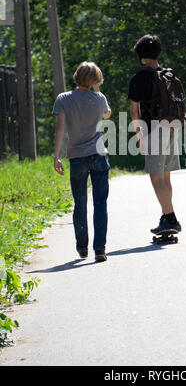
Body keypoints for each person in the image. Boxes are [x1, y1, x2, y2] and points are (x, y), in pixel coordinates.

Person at [52, 61, 111, 262]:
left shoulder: (63, 99)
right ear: (95, 80)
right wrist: (97, 89)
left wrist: (56, 156)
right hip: (99, 155)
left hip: (77, 157)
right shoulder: (99, 98)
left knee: (80, 203)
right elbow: (107, 114)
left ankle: (82, 247)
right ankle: (100, 249)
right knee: (100, 203)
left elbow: (60, 128)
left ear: (77, 76)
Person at [128, 34, 183, 234]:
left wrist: (140, 136)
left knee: (155, 177)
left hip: (153, 131)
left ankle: (170, 218)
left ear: (141, 56)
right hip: (171, 127)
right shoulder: (168, 74)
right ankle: (166, 215)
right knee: (165, 178)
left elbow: (135, 112)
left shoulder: (139, 78)